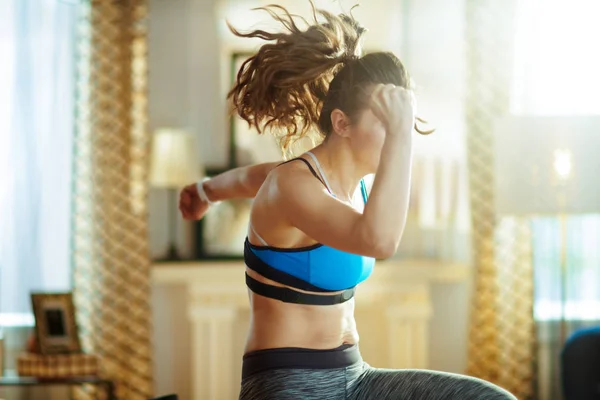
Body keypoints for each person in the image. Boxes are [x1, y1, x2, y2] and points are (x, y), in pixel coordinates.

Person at [179, 4, 517, 399]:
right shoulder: (292, 185)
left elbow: (249, 177)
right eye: (386, 121)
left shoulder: (349, 188)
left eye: (400, 122)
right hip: (288, 384)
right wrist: (402, 135)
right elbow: (379, 241)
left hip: (356, 377)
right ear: (342, 124)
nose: (396, 133)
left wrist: (207, 191)